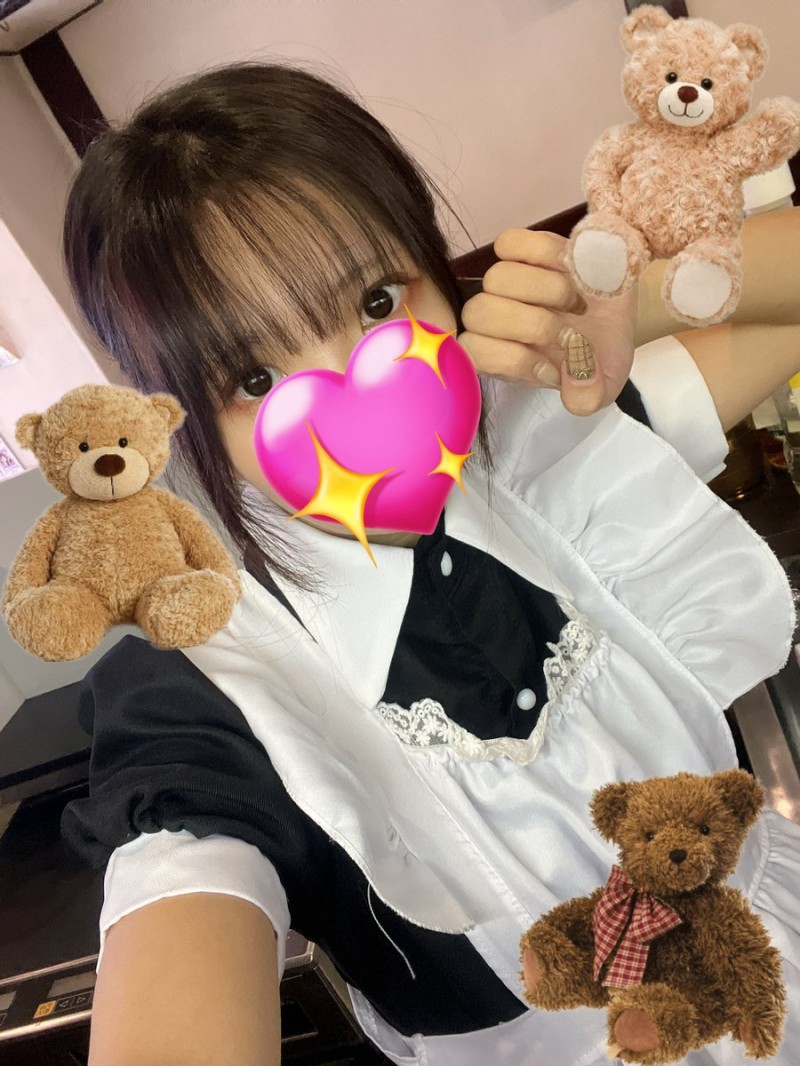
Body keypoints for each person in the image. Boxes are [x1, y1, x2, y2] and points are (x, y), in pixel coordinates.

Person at [57, 63, 800, 1066]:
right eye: (254, 376)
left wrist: (638, 306)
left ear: (434, 267)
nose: (357, 389)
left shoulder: (544, 452)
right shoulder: (210, 688)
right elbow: (182, 907)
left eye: (375, 299)